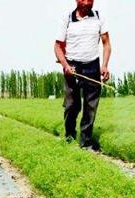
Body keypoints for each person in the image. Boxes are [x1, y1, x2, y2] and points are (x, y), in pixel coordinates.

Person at [54, 0, 111, 150]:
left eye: (90, 0)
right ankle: (69, 136)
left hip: (92, 65)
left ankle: (85, 141)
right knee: (72, 105)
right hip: (72, 66)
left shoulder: (98, 17)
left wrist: (104, 65)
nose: (87, 3)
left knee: (90, 106)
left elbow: (106, 43)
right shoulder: (67, 18)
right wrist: (66, 66)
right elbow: (58, 46)